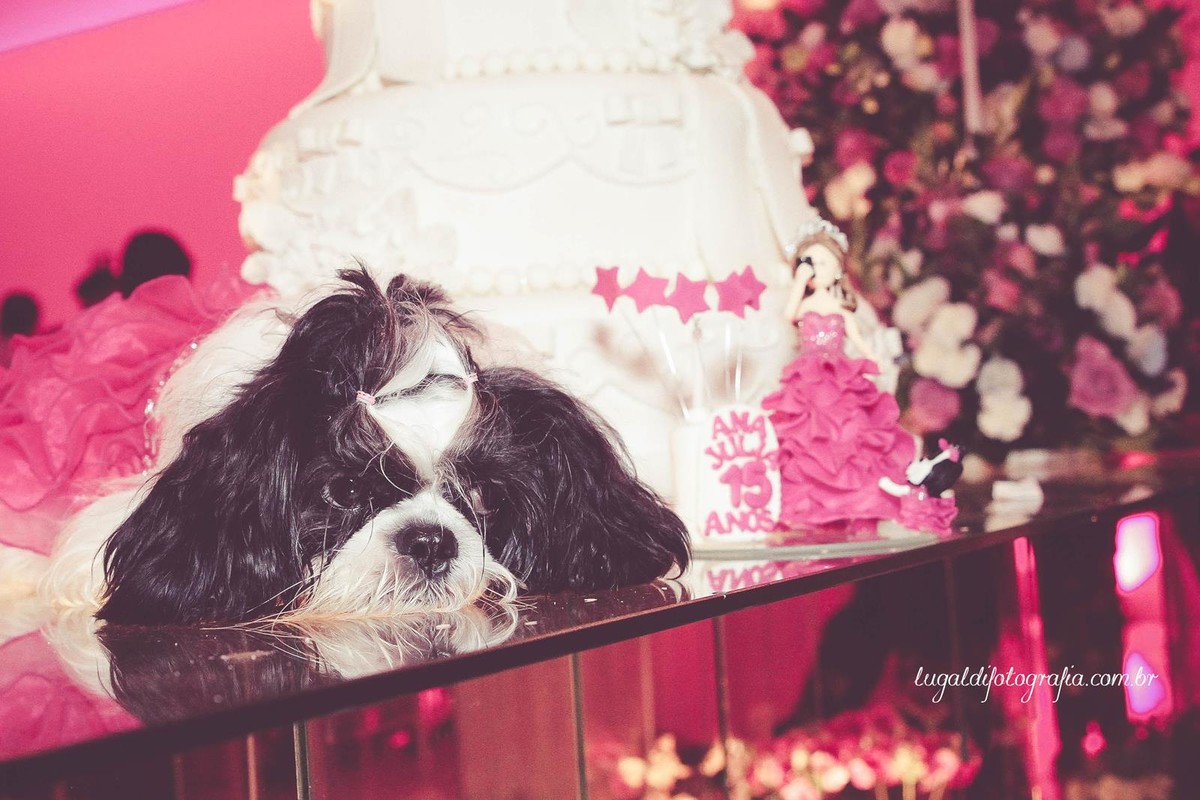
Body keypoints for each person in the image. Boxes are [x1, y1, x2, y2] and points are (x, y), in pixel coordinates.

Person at [763, 217, 915, 528]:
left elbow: (857, 339)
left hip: (839, 375)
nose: (816, 268)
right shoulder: (804, 304)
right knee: (807, 437)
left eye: (822, 262)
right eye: (810, 262)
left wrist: (874, 357)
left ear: (837, 268)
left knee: (847, 433)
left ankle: (850, 501)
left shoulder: (841, 307)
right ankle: (810, 505)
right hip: (807, 377)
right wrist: (799, 282)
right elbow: (789, 314)